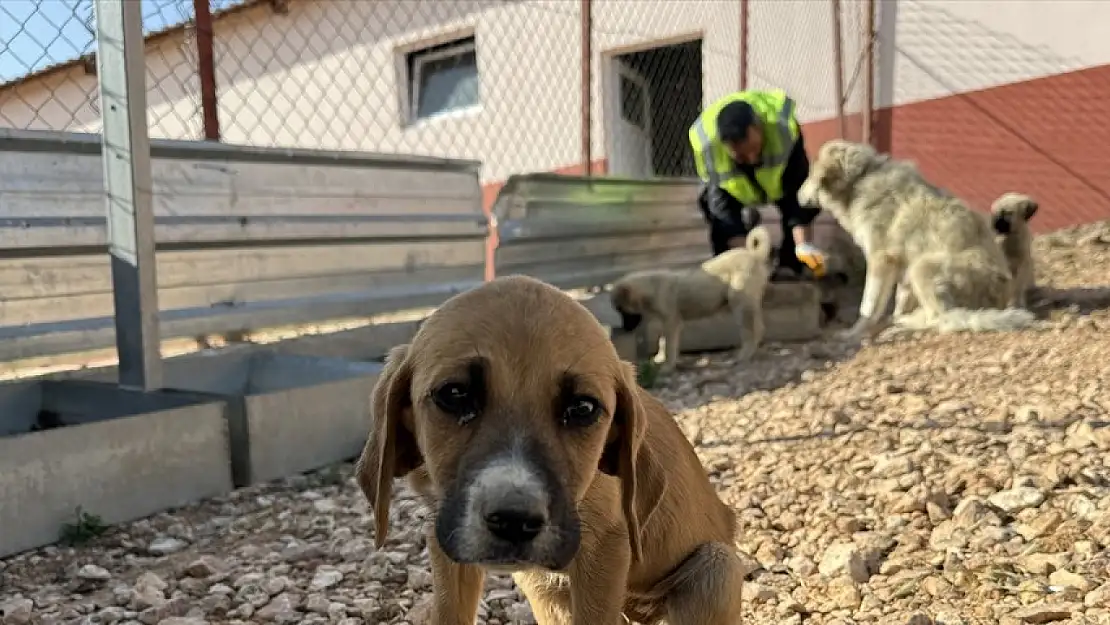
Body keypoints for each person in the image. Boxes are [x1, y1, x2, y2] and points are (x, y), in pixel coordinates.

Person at [688, 88, 827, 278]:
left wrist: (803, 246)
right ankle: (729, 275)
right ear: (725, 146)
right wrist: (746, 266)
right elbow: (723, 210)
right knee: (717, 217)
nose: (752, 158)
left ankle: (789, 268)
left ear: (759, 128)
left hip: (779, 180)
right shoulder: (709, 149)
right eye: (742, 156)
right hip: (737, 188)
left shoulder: (784, 132)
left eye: (754, 149)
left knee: (799, 204)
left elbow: (800, 196)